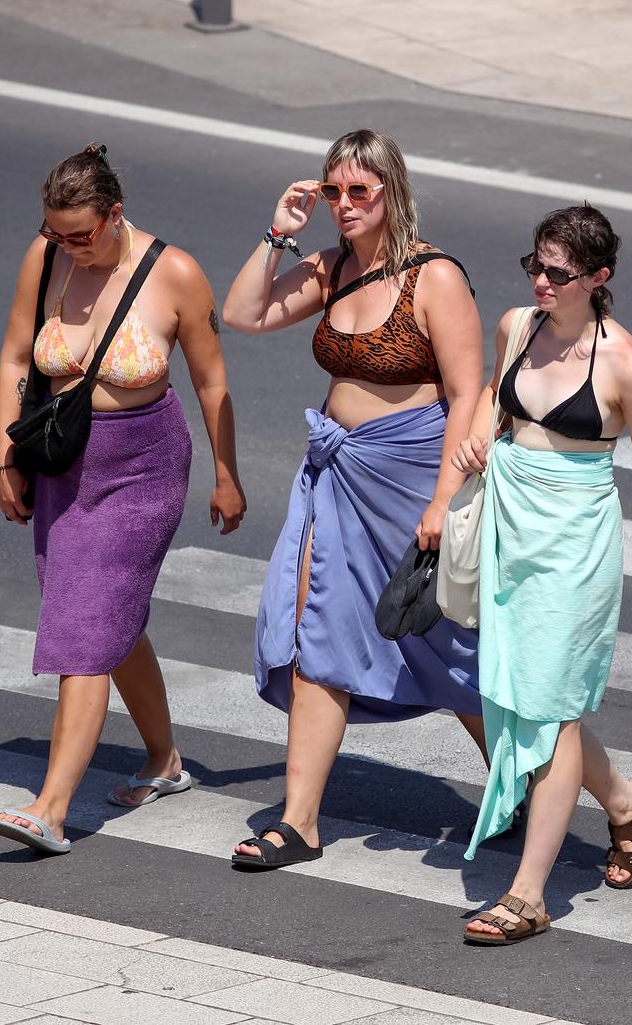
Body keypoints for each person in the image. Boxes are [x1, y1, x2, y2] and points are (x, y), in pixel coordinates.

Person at [221, 130, 487, 869]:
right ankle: (300, 819)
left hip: (409, 479)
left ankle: (585, 789)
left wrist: (443, 501)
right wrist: (278, 231)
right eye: (332, 190)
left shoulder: (434, 277)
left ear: (392, 191)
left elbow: (468, 393)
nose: (342, 204)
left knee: (450, 647)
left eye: (358, 191)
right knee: (317, 626)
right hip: (336, 475)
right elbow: (244, 314)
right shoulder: (331, 267)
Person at [455, 205, 632, 943]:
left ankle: (528, 894)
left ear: (598, 279)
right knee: (526, 702)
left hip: (573, 546)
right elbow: (489, 398)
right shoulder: (516, 325)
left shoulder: (626, 365)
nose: (540, 280)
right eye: (533, 265)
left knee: (553, 706)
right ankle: (628, 802)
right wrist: (478, 438)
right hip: (511, 531)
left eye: (557, 273)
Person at [0, 143, 246, 854]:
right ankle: (164, 759)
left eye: (79, 234)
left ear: (114, 215)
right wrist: (2, 453)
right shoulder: (45, 258)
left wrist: (226, 472)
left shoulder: (176, 273)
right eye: (54, 233)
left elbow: (212, 380)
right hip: (63, 466)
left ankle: (50, 806)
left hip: (142, 467)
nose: (65, 246)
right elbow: (15, 354)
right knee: (108, 620)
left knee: (84, 629)